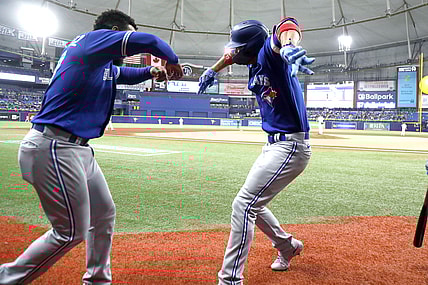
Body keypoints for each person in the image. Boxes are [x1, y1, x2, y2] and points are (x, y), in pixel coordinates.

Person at [0, 9, 182, 285]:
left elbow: (122, 74)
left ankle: (97, 280)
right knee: (70, 232)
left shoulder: (100, 62)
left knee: (104, 214)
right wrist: (173, 61)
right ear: (111, 31)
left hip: (77, 150)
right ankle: (7, 278)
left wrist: (151, 71)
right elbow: (152, 41)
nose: (128, 45)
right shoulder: (91, 41)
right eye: (125, 36)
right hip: (54, 146)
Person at [198, 17, 314, 284]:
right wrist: (213, 70)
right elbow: (229, 56)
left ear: (250, 47)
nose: (233, 51)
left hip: (291, 146)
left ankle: (230, 279)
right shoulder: (249, 59)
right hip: (275, 144)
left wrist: (287, 46)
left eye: (239, 47)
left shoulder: (270, 55)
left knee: (244, 204)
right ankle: (287, 246)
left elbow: (288, 26)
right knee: (253, 203)